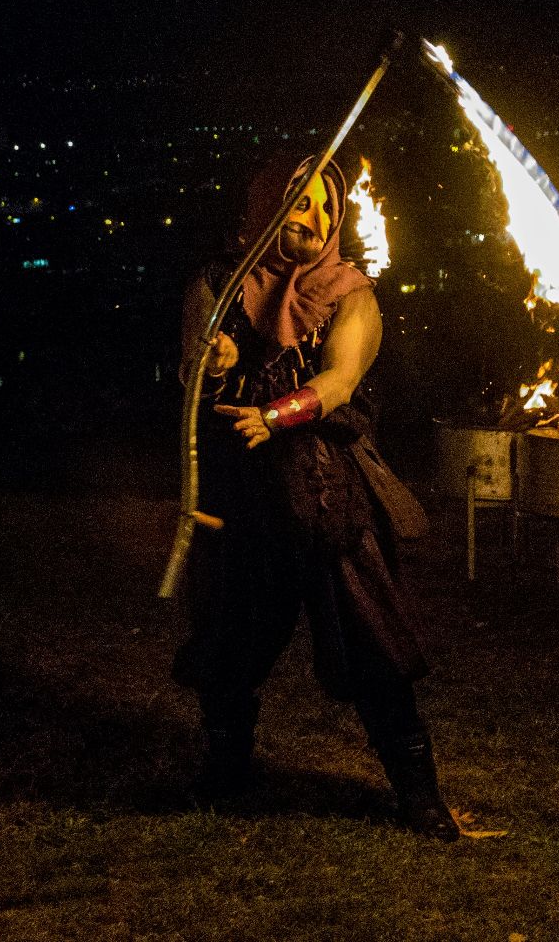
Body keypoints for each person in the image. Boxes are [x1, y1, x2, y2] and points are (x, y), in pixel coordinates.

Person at [173, 154, 458, 841]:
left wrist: (273, 414)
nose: (314, 217)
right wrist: (210, 365)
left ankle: (418, 793)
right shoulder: (217, 283)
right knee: (229, 643)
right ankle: (226, 769)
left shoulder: (351, 295)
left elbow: (340, 380)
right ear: (266, 203)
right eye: (299, 203)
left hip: (325, 497)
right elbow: (191, 372)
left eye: (325, 208)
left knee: (373, 647)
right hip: (242, 500)